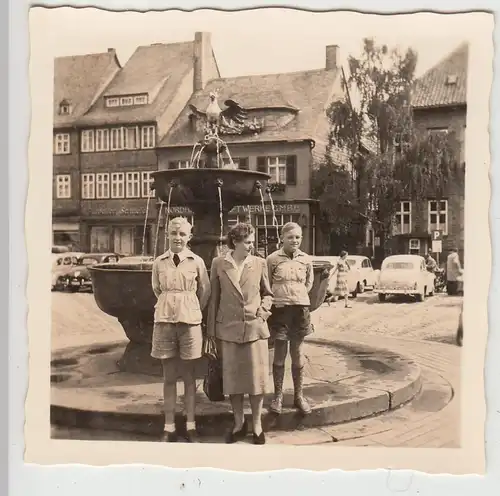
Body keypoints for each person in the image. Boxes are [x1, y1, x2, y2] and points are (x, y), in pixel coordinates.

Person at [207, 223, 273, 445]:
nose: (251, 246)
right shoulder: (219, 263)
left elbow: (268, 293)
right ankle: (238, 422)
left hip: (254, 329)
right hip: (228, 329)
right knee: (233, 381)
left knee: (256, 381)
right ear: (235, 242)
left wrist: (263, 313)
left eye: (252, 242)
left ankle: (256, 424)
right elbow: (214, 299)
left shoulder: (259, 263)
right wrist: (211, 333)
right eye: (248, 242)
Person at [151, 217, 211, 443]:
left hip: (190, 322)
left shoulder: (196, 262)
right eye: (174, 233)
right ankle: (168, 426)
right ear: (167, 234)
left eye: (182, 234)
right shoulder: (159, 262)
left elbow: (204, 291)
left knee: (189, 377)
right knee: (168, 377)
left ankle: (191, 425)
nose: (178, 238)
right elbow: (157, 289)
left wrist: (191, 308)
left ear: (189, 237)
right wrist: (172, 304)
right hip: (165, 321)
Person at [266, 222, 314, 416]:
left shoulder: (306, 260)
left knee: (297, 352)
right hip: (280, 309)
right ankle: (277, 396)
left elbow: (309, 283)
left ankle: (298, 396)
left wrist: (298, 296)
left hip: (300, 309)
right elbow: (267, 284)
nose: (294, 241)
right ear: (282, 238)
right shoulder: (272, 259)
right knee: (279, 352)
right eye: (290, 237)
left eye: (298, 237)